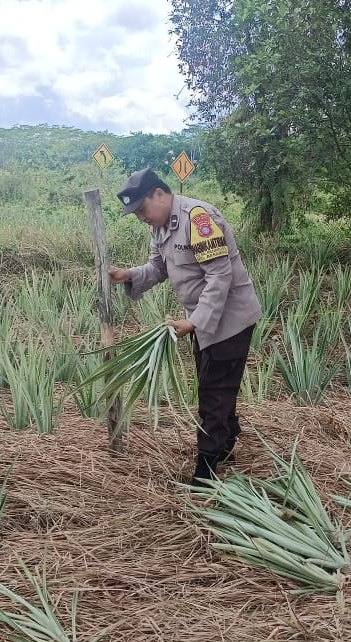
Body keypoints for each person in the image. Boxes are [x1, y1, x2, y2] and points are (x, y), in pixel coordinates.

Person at [108, 168, 262, 486]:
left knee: (213, 393)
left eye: (142, 209)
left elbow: (220, 276)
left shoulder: (198, 220)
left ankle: (206, 472)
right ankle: (226, 442)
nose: (141, 218)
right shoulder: (161, 226)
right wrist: (129, 275)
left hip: (229, 320)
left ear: (159, 194)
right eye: (136, 214)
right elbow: (158, 267)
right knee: (214, 385)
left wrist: (193, 321)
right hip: (203, 321)